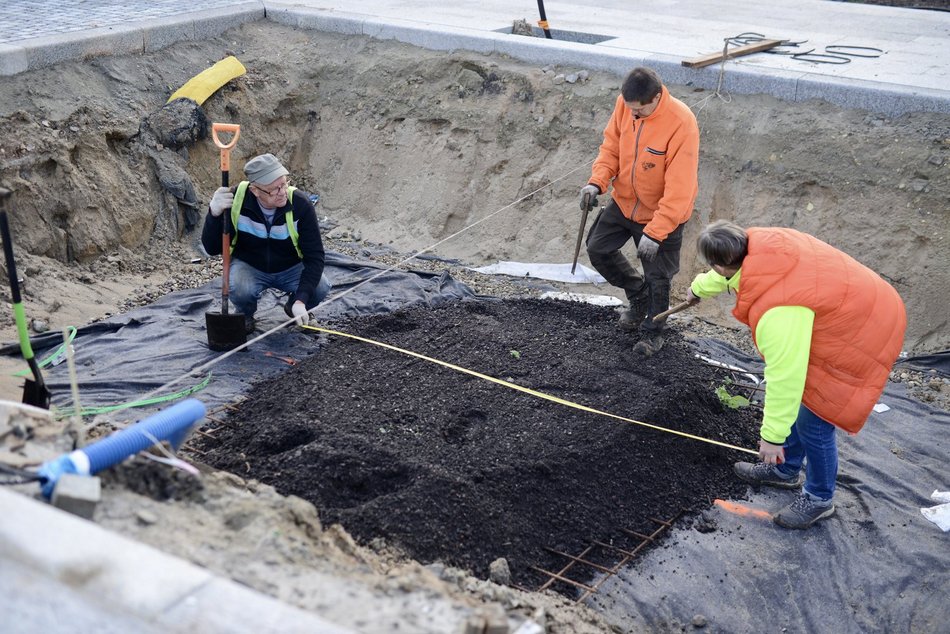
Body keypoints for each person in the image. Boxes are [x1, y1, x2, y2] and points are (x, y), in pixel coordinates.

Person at [688, 220, 906, 529]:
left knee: (814, 420)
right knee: (803, 407)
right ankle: (786, 471)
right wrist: (698, 288)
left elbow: (786, 377)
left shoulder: (778, 312)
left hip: (864, 328)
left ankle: (819, 499)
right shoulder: (760, 245)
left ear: (721, 263)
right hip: (854, 303)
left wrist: (772, 437)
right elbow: (730, 275)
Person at [581, 67, 699, 357]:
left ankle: (653, 332)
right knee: (598, 249)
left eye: (640, 111)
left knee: (658, 277)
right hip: (624, 201)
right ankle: (638, 296)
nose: (633, 115)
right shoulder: (627, 105)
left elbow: (680, 188)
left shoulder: (681, 122)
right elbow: (611, 147)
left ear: (657, 97)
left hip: (661, 212)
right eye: (629, 109)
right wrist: (597, 182)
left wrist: (656, 232)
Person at [201, 153, 331, 333]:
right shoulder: (236, 200)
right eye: (275, 189)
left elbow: (315, 257)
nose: (283, 192)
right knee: (239, 287)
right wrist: (213, 214)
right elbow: (212, 248)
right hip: (250, 266)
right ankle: (245, 314)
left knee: (320, 287)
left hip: (290, 267)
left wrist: (301, 300)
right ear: (255, 190)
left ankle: (293, 308)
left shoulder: (300, 204)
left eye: (284, 184)